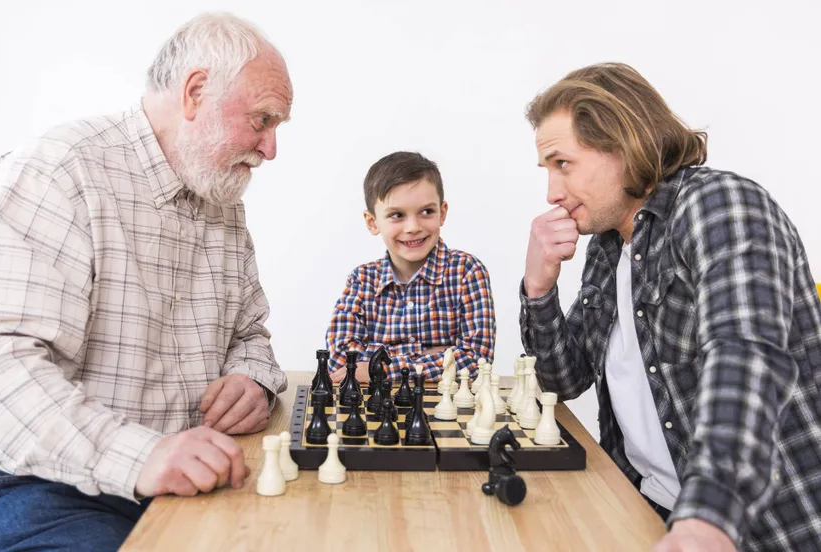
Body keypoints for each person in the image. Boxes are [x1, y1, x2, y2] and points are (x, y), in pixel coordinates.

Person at [0, 12, 291, 551]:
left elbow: (252, 337)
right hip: (48, 484)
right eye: (263, 120)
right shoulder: (60, 171)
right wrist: (144, 456)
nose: (271, 149)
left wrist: (253, 380)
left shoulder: (222, 201)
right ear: (196, 92)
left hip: (182, 478)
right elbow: (2, 373)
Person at [519, 62, 821, 551]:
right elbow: (563, 380)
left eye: (563, 163)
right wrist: (539, 286)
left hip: (754, 531)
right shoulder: (608, 247)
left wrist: (709, 518)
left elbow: (744, 358)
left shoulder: (721, 204)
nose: (552, 192)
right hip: (648, 511)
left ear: (621, 143)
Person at [326, 151, 496, 383]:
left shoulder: (467, 272)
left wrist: (379, 368)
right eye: (397, 215)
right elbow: (341, 362)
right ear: (372, 222)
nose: (413, 227)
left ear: (442, 213)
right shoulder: (361, 280)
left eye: (426, 211)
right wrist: (439, 354)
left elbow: (476, 360)